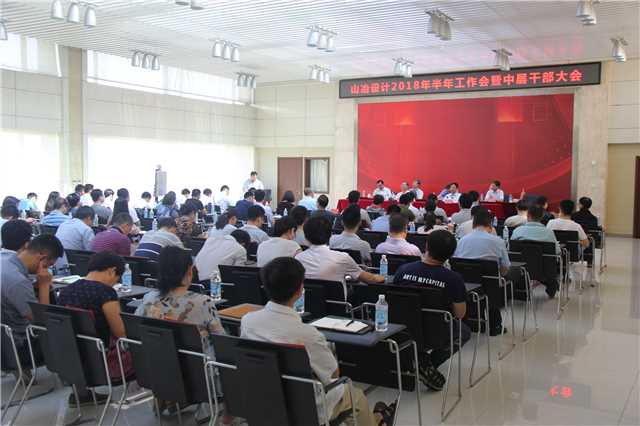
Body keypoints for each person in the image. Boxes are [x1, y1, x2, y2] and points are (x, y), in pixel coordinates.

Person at [241, 257, 394, 426]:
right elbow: (333, 374)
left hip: (263, 398)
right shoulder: (309, 335)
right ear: (300, 290)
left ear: (264, 287)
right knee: (355, 396)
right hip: (305, 406)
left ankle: (377, 419)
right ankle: (378, 420)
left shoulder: (248, 321)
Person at [393, 230, 470, 391]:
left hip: (404, 329)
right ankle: (427, 364)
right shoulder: (454, 279)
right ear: (451, 254)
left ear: (426, 246)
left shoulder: (403, 270)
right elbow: (460, 314)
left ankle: (419, 360)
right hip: (436, 331)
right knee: (463, 332)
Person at [57, 251, 128, 405]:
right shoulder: (105, 292)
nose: (114, 283)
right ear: (112, 271)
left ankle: (81, 393)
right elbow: (120, 332)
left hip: (71, 355)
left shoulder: (66, 291)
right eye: (117, 279)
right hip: (103, 359)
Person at [135, 246, 225, 355]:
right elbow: (221, 341)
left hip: (155, 360)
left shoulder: (148, 298)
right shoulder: (203, 302)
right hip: (199, 363)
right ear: (189, 271)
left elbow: (135, 329)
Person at [1, 233, 64, 364]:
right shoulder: (18, 281)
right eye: (48, 265)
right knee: (72, 338)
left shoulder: (5, 261)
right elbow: (42, 322)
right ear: (42, 258)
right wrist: (44, 286)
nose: (47, 270)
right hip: (18, 348)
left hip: (5, 341)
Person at [454, 208, 513, 333]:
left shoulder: (462, 241)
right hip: (490, 287)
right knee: (498, 282)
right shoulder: (498, 241)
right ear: (490, 225)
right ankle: (495, 326)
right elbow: (505, 267)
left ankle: (473, 322)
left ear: (473, 224)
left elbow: (456, 262)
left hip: (467, 286)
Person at [296, 216, 384, 295]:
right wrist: (382, 277)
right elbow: (370, 279)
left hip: (306, 306)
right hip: (338, 307)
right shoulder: (342, 258)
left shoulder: (298, 259)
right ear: (330, 235)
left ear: (306, 237)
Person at [511, 205, 560, 296]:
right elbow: (557, 251)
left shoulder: (517, 231)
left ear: (528, 215)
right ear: (542, 217)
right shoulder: (549, 232)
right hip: (544, 269)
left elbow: (511, 250)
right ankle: (551, 285)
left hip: (521, 268)